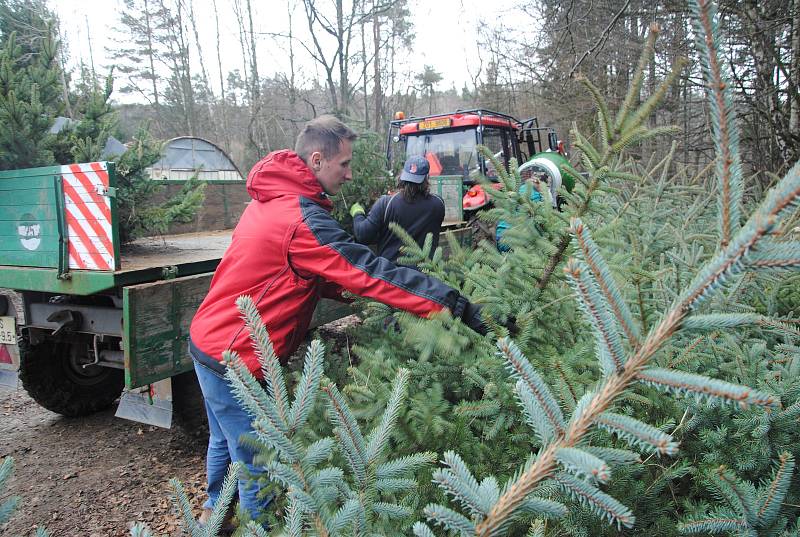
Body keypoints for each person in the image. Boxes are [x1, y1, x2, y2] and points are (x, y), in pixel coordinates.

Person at [187, 115, 485, 529]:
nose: (350, 174)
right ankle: (258, 527)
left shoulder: (272, 201)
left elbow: (306, 273)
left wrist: (361, 297)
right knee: (256, 460)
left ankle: (212, 514)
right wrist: (455, 305)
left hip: (207, 340)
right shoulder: (299, 218)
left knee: (223, 439)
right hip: (236, 355)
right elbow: (367, 269)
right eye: (344, 164)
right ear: (315, 160)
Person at [349, 155, 445, 266]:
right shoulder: (438, 204)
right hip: (426, 273)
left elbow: (363, 235)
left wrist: (357, 213)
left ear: (402, 176)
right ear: (426, 178)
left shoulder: (386, 203)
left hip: (391, 274)